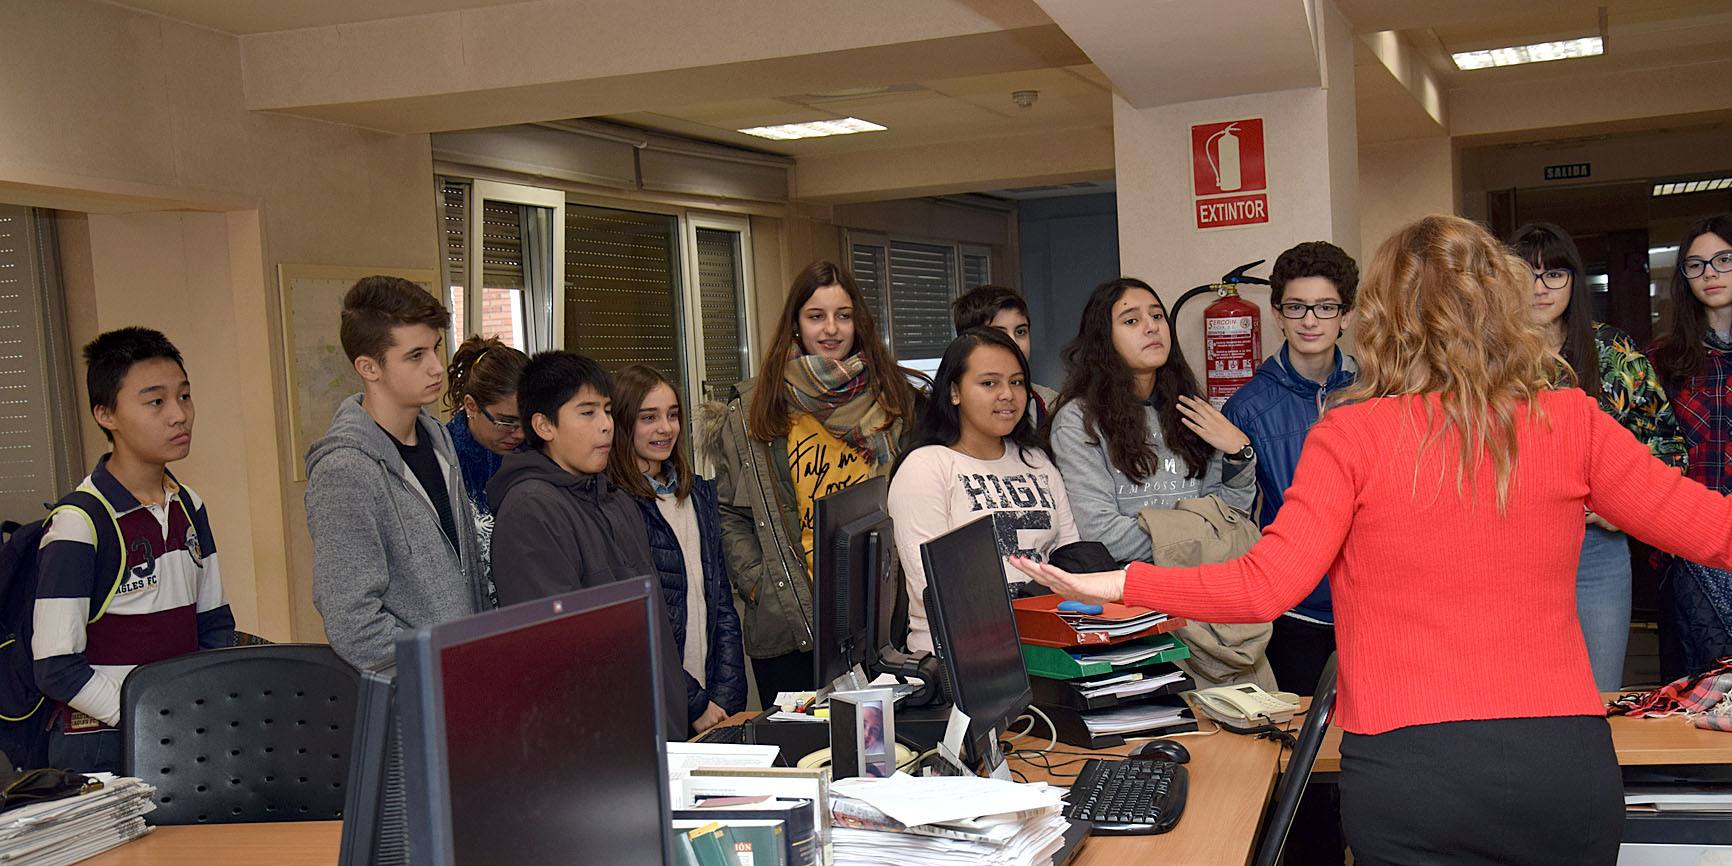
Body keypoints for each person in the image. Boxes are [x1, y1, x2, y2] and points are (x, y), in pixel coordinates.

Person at [1011, 214, 1732, 866]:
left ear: (1380, 320)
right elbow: (1714, 532)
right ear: (1503, 307)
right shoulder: (1570, 420)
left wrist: (1114, 585)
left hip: (1413, 774)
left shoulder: (1350, 435)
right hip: (1560, 769)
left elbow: (1264, 584)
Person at [706, 260, 921, 699]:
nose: (831, 329)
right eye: (816, 316)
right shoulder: (754, 406)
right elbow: (729, 511)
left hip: (878, 614)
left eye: (843, 315)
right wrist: (758, 581)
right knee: (800, 757)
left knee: (883, 754)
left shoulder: (896, 400)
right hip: (790, 617)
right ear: (795, 325)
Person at [32, 327, 235, 773]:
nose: (179, 415)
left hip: (186, 733)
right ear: (107, 414)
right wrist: (152, 717)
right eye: (156, 402)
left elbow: (215, 626)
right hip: (102, 745)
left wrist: (198, 715)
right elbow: (56, 666)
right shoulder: (78, 523)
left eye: (184, 396)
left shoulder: (190, 505)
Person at [1510, 222, 1686, 690]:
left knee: (1598, 690)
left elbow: (1666, 445)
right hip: (1515, 545)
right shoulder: (1491, 357)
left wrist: (1623, 511)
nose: (1540, 288)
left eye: (1554, 275)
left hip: (1596, 552)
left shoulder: (1613, 352)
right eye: (1526, 274)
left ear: (1574, 281)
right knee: (1525, 694)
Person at [487, 351, 686, 741]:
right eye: (587, 413)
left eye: (608, 411)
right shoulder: (530, 511)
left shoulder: (618, 499)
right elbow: (558, 658)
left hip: (657, 733)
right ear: (544, 426)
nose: (607, 426)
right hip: (599, 745)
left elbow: (655, 630)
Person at [306, 277, 489, 671]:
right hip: (410, 695)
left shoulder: (438, 437)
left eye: (436, 349)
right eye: (415, 356)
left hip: (467, 678)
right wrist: (440, 659)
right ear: (368, 367)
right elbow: (352, 623)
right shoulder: (345, 470)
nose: (436, 367)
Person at [888, 328, 1078, 654]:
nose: (1007, 394)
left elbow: (1070, 558)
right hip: (960, 659)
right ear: (954, 392)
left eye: (1016, 382)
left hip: (1048, 646)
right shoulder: (925, 467)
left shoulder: (1036, 460)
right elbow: (932, 589)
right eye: (989, 383)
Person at [1222, 242, 1358, 696]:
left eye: (1324, 307)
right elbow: (1232, 514)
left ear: (1346, 314)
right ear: (1277, 314)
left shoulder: (1376, 391)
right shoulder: (1247, 408)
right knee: (1298, 744)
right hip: (1294, 609)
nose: (1310, 321)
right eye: (1296, 307)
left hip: (1368, 601)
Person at [1046, 277, 1257, 565]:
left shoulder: (1192, 408)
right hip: (1132, 594)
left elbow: (1232, 517)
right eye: (1131, 321)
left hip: (1204, 590)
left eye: (1157, 316)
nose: (1151, 326)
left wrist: (1239, 454)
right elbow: (1104, 536)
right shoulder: (1078, 421)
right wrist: (1203, 537)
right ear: (1103, 339)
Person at [607, 364, 746, 735]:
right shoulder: (616, 507)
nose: (665, 428)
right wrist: (693, 703)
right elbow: (637, 630)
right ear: (622, 424)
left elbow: (721, 604)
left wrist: (726, 698)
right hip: (659, 709)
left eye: (672, 415)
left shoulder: (696, 495)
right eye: (648, 418)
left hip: (714, 704)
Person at [1649, 213, 1732, 680]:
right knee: (1694, 696)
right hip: (1687, 549)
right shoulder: (1662, 359)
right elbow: (1648, 452)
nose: (1710, 273)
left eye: (1723, 259)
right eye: (1696, 265)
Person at [950, 285, 1059, 424]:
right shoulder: (947, 412)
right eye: (999, 333)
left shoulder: (1051, 403)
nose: (1013, 343)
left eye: (1020, 332)